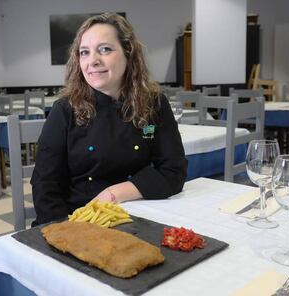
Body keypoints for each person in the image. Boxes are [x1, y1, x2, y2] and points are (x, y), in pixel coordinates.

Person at [31, 12, 187, 225]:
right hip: (80, 220)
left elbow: (173, 171)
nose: (92, 61)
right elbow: (45, 185)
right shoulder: (64, 110)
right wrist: (63, 231)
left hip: (142, 217)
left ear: (128, 53)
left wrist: (114, 193)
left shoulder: (154, 104)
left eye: (105, 49)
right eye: (84, 52)